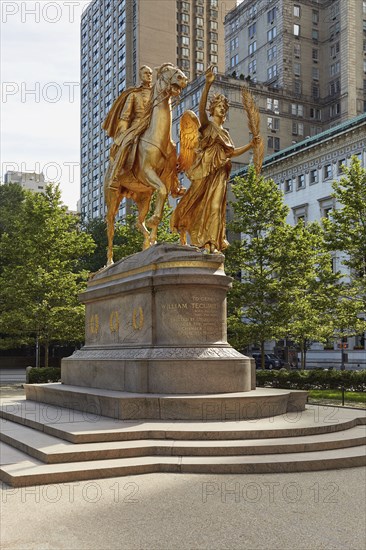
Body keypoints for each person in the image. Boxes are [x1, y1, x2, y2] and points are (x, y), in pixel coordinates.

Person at [171, 66, 259, 253]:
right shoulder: (207, 126)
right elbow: (201, 108)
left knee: (216, 207)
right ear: (213, 109)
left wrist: (251, 145)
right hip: (205, 172)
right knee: (196, 202)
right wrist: (208, 84)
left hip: (220, 174)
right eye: (219, 106)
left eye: (223, 107)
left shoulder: (225, 133)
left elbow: (232, 152)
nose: (221, 109)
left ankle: (212, 242)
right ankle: (189, 230)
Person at [102, 65, 153, 190]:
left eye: (150, 73)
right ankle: (116, 174)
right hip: (136, 126)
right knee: (126, 144)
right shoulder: (134, 94)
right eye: (146, 73)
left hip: (152, 125)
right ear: (141, 76)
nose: (149, 75)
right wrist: (122, 132)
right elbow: (125, 116)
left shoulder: (157, 93)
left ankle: (174, 183)